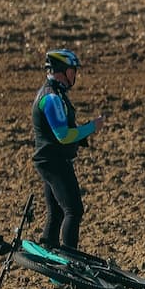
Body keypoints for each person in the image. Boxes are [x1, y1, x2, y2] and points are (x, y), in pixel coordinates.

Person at [32, 48, 106, 250]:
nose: (76, 74)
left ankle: (50, 255)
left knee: (56, 212)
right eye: (73, 70)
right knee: (74, 210)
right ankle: (69, 259)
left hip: (50, 160)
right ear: (62, 70)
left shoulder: (55, 94)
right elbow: (63, 136)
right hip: (54, 162)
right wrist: (91, 127)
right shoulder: (52, 98)